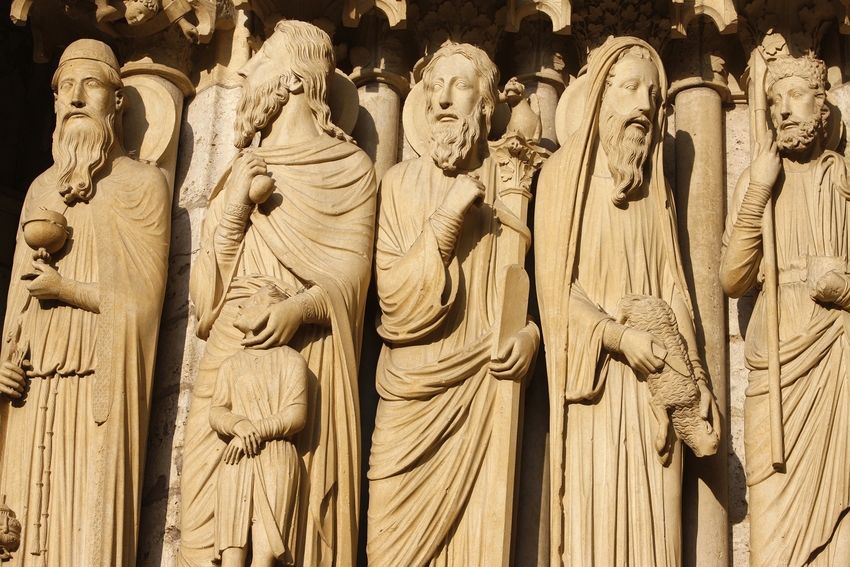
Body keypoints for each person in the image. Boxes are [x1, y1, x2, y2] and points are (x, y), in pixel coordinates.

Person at [178, 19, 376, 567]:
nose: (245, 71)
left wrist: (298, 309)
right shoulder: (240, 169)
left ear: (291, 79)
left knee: (284, 519)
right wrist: (238, 205)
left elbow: (355, 276)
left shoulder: (351, 169)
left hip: (304, 352)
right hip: (229, 351)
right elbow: (203, 297)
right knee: (203, 513)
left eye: (261, 60)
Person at [535, 36, 715, 567]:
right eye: (631, 88)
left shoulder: (654, 193)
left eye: (655, 98)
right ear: (598, 96)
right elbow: (555, 293)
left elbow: (677, 292)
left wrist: (698, 378)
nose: (644, 106)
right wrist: (619, 338)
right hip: (597, 392)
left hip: (657, 391)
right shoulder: (561, 181)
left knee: (658, 540)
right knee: (598, 530)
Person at [367, 42, 539, 566]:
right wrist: (446, 220)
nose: (443, 99)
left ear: (485, 106)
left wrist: (530, 337)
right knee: (385, 548)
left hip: (484, 384)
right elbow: (393, 299)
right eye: (433, 87)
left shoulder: (513, 184)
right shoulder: (398, 184)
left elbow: (542, 291)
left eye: (459, 86)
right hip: (410, 390)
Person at [0, 39, 171, 567]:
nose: (74, 98)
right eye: (63, 88)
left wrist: (65, 290)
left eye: (90, 85)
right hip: (34, 389)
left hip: (99, 381)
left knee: (84, 533)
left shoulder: (144, 185)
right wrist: (5, 361)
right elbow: (17, 300)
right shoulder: (39, 191)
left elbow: (144, 303)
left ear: (117, 103)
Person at [720, 53, 850, 566]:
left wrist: (843, 288)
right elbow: (733, 277)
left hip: (836, 359)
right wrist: (757, 188)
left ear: (823, 105)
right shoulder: (761, 181)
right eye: (774, 101)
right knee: (772, 533)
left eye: (795, 96)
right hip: (774, 366)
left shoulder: (844, 182)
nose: (782, 111)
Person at [210, 284, 308, 567]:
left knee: (263, 559)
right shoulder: (231, 364)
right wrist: (239, 425)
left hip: (275, 457)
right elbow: (216, 410)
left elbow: (296, 414)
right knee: (231, 555)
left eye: (252, 302)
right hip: (235, 461)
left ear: (269, 313)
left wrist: (256, 431)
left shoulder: (291, 360)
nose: (241, 306)